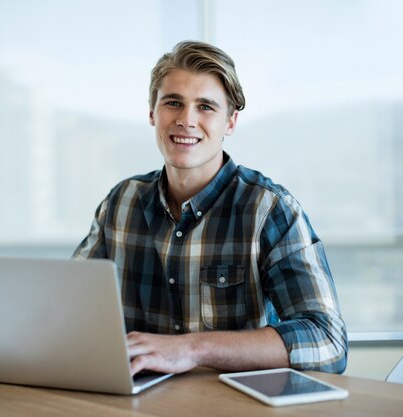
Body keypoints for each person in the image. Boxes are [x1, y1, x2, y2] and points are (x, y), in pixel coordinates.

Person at [72, 40, 347, 376]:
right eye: (173, 103)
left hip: (235, 404)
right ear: (152, 113)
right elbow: (69, 311)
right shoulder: (121, 203)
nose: (186, 120)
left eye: (205, 107)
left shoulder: (270, 210)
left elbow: (327, 340)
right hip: (137, 402)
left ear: (230, 122)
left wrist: (191, 349)